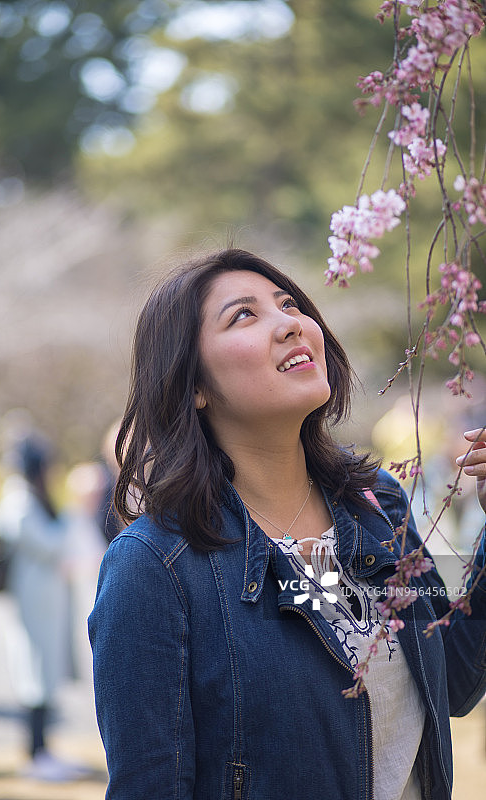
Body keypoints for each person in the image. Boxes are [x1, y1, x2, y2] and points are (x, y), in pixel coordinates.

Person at [88, 249, 486, 800]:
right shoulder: (154, 567)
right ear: (193, 385)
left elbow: (455, 679)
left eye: (290, 304)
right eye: (244, 315)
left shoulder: (376, 507)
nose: (292, 324)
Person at [0, 432, 86, 782]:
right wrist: (75, 512)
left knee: (44, 674)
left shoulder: (30, 499)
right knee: (33, 675)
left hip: (45, 603)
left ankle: (44, 751)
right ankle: (34, 755)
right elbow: (49, 544)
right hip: (33, 605)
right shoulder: (18, 502)